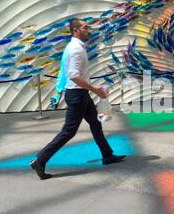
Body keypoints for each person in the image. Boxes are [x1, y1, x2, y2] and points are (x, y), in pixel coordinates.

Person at [30, 18, 126, 180]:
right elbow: (73, 76)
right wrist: (96, 90)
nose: (89, 30)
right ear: (76, 31)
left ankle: (107, 155)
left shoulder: (75, 47)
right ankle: (40, 160)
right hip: (77, 95)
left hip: (81, 94)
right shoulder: (76, 49)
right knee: (68, 131)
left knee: (95, 124)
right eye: (85, 27)